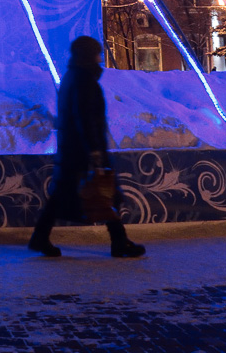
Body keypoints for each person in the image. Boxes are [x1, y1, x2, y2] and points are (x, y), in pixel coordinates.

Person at [28, 35, 146, 258]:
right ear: (89, 55)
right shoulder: (84, 81)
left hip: (72, 148)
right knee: (106, 193)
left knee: (64, 196)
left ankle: (40, 237)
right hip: (83, 150)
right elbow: (86, 118)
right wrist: (95, 151)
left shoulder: (72, 77)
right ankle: (119, 241)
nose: (99, 58)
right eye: (97, 53)